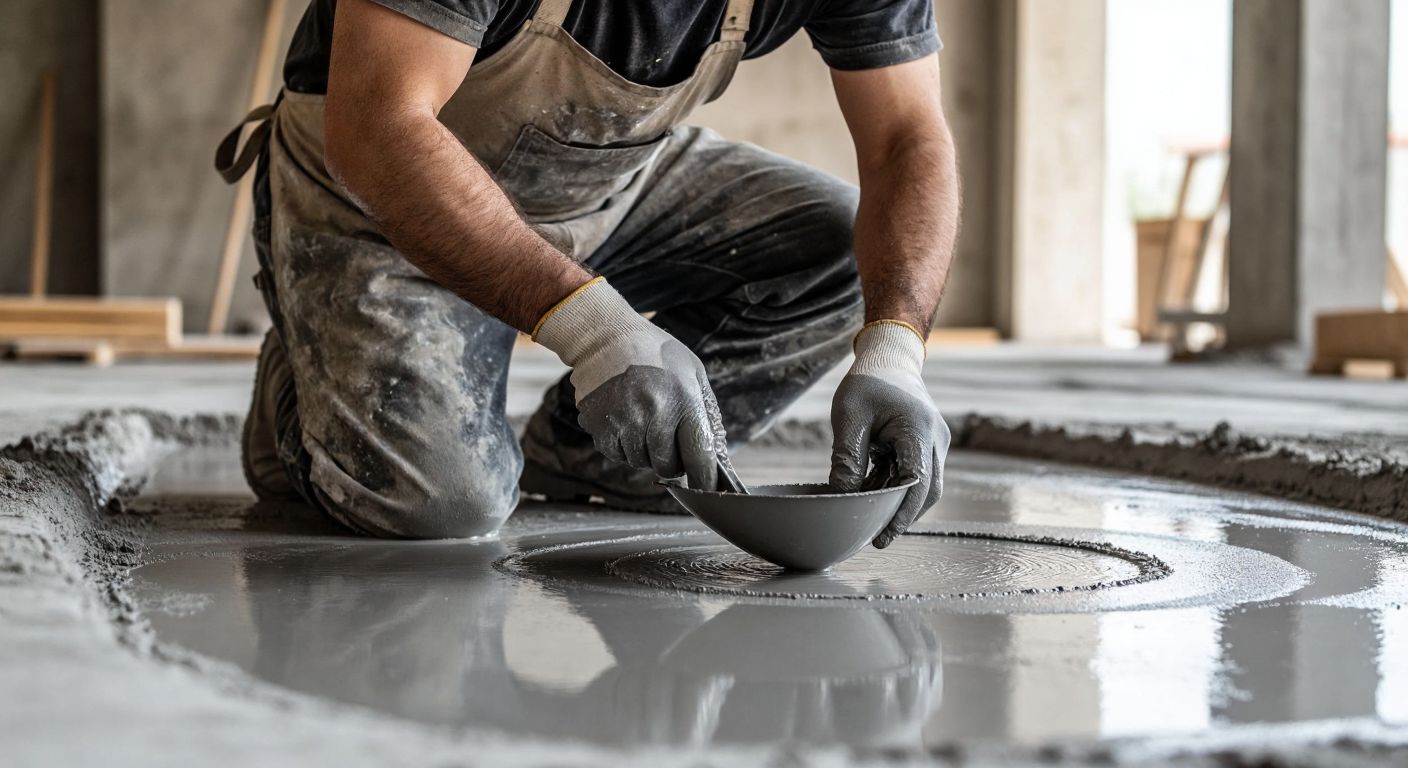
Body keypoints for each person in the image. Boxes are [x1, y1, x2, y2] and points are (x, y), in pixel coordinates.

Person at [226, 0, 959, 546]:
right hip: (377, 202)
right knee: (441, 505)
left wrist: (896, 356)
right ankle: (299, 393)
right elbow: (378, 130)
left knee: (835, 254)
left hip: (607, 186)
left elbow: (908, 140)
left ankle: (584, 456)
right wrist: (598, 331)